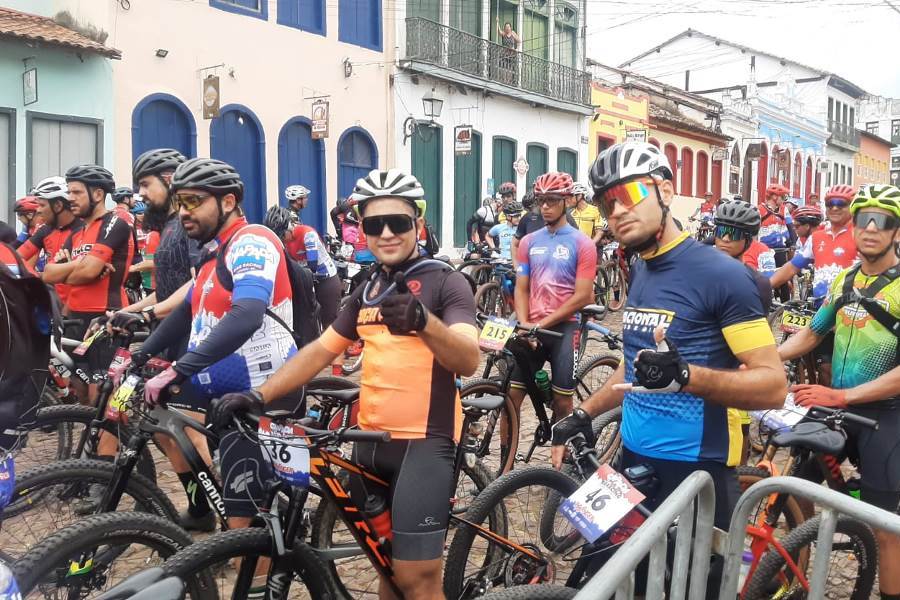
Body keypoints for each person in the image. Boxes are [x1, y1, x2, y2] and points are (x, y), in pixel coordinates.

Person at [210, 168, 480, 600]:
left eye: (399, 222)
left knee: (418, 579)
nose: (387, 233)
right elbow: (320, 351)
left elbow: (468, 359)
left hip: (423, 445)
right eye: (375, 224)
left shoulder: (447, 282)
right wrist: (259, 394)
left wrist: (424, 322)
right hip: (367, 441)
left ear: (419, 225)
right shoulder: (368, 287)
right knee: (386, 565)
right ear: (362, 230)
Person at [551, 142, 786, 533]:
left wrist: (687, 376)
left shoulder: (724, 276)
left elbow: (773, 386)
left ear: (665, 191)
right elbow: (634, 364)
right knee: (600, 574)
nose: (619, 211)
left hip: (696, 472)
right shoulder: (642, 268)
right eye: (608, 204)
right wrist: (583, 413)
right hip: (632, 461)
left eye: (629, 193)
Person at [134, 158, 300, 544]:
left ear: (227, 202)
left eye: (193, 201)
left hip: (261, 389)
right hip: (222, 385)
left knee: (245, 528)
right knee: (163, 423)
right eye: (180, 202)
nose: (183, 212)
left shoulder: (252, 241)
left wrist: (178, 369)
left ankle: (257, 553)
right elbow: (185, 311)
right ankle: (203, 505)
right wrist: (144, 351)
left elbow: (247, 314)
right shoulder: (214, 252)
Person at [778, 184, 900, 600]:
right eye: (863, 217)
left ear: (896, 231)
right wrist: (767, 359)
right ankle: (801, 558)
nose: (870, 228)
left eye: (882, 221)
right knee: (797, 485)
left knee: (885, 526)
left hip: (885, 411)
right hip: (839, 404)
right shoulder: (847, 279)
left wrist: (842, 397)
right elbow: (812, 334)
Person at [510, 171, 596, 434]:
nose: (545, 206)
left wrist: (541, 324)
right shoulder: (528, 242)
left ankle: (565, 457)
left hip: (564, 328)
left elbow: (582, 296)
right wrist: (525, 325)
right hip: (532, 327)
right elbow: (521, 287)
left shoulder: (583, 244)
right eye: (541, 200)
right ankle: (505, 464)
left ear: (567, 200)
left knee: (562, 400)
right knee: (511, 399)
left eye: (552, 200)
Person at [43, 165, 134, 391]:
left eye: (76, 193)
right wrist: (80, 265)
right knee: (78, 388)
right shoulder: (77, 232)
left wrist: (72, 270)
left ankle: (115, 427)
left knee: (99, 395)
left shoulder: (114, 224)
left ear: (98, 194)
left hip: (105, 316)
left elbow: (89, 272)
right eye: (69, 192)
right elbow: (48, 274)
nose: (70, 198)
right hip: (74, 317)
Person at [712, 199, 774, 464]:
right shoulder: (698, 263)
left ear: (748, 240)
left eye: (734, 234)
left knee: (741, 428)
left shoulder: (757, 283)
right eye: (720, 231)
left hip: (735, 361)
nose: (725, 239)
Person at [264, 205, 341, 328]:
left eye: (282, 235)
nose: (282, 240)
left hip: (325, 279)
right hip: (307, 279)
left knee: (329, 324)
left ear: (289, 227)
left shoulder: (307, 234)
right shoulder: (282, 241)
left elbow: (312, 265)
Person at [18, 177, 81, 305]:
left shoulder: (83, 229)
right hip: (53, 305)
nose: (38, 210)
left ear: (58, 205)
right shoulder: (45, 230)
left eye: (42, 205)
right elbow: (17, 257)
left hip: (77, 307)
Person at [759, 183, 792, 301]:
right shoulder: (760, 210)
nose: (784, 200)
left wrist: (793, 244)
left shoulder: (784, 210)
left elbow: (791, 227)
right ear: (774, 197)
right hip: (764, 250)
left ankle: (786, 306)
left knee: (783, 278)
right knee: (762, 278)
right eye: (782, 197)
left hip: (781, 249)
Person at [569, 181, 605, 246]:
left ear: (579, 195)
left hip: (589, 248)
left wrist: (590, 245)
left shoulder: (595, 211)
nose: (569, 199)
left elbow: (599, 233)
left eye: (571, 196)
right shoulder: (571, 213)